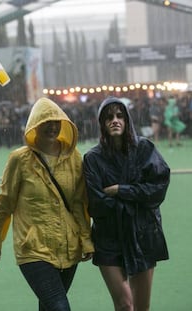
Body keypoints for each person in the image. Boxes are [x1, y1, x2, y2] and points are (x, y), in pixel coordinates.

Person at [0, 97, 94, 311]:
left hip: (68, 247)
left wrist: (86, 240)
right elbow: (5, 203)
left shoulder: (74, 158)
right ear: (35, 125)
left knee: (48, 306)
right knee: (59, 306)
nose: (52, 127)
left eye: (56, 122)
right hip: (33, 248)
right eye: (46, 122)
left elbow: (78, 204)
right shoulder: (19, 159)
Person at [83, 97, 170, 311]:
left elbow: (157, 189)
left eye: (120, 116)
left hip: (143, 235)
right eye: (109, 117)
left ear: (127, 120)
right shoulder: (92, 159)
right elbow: (96, 204)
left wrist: (121, 190)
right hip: (108, 238)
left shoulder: (145, 149)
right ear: (102, 123)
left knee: (141, 307)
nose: (115, 120)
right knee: (124, 305)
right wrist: (135, 199)